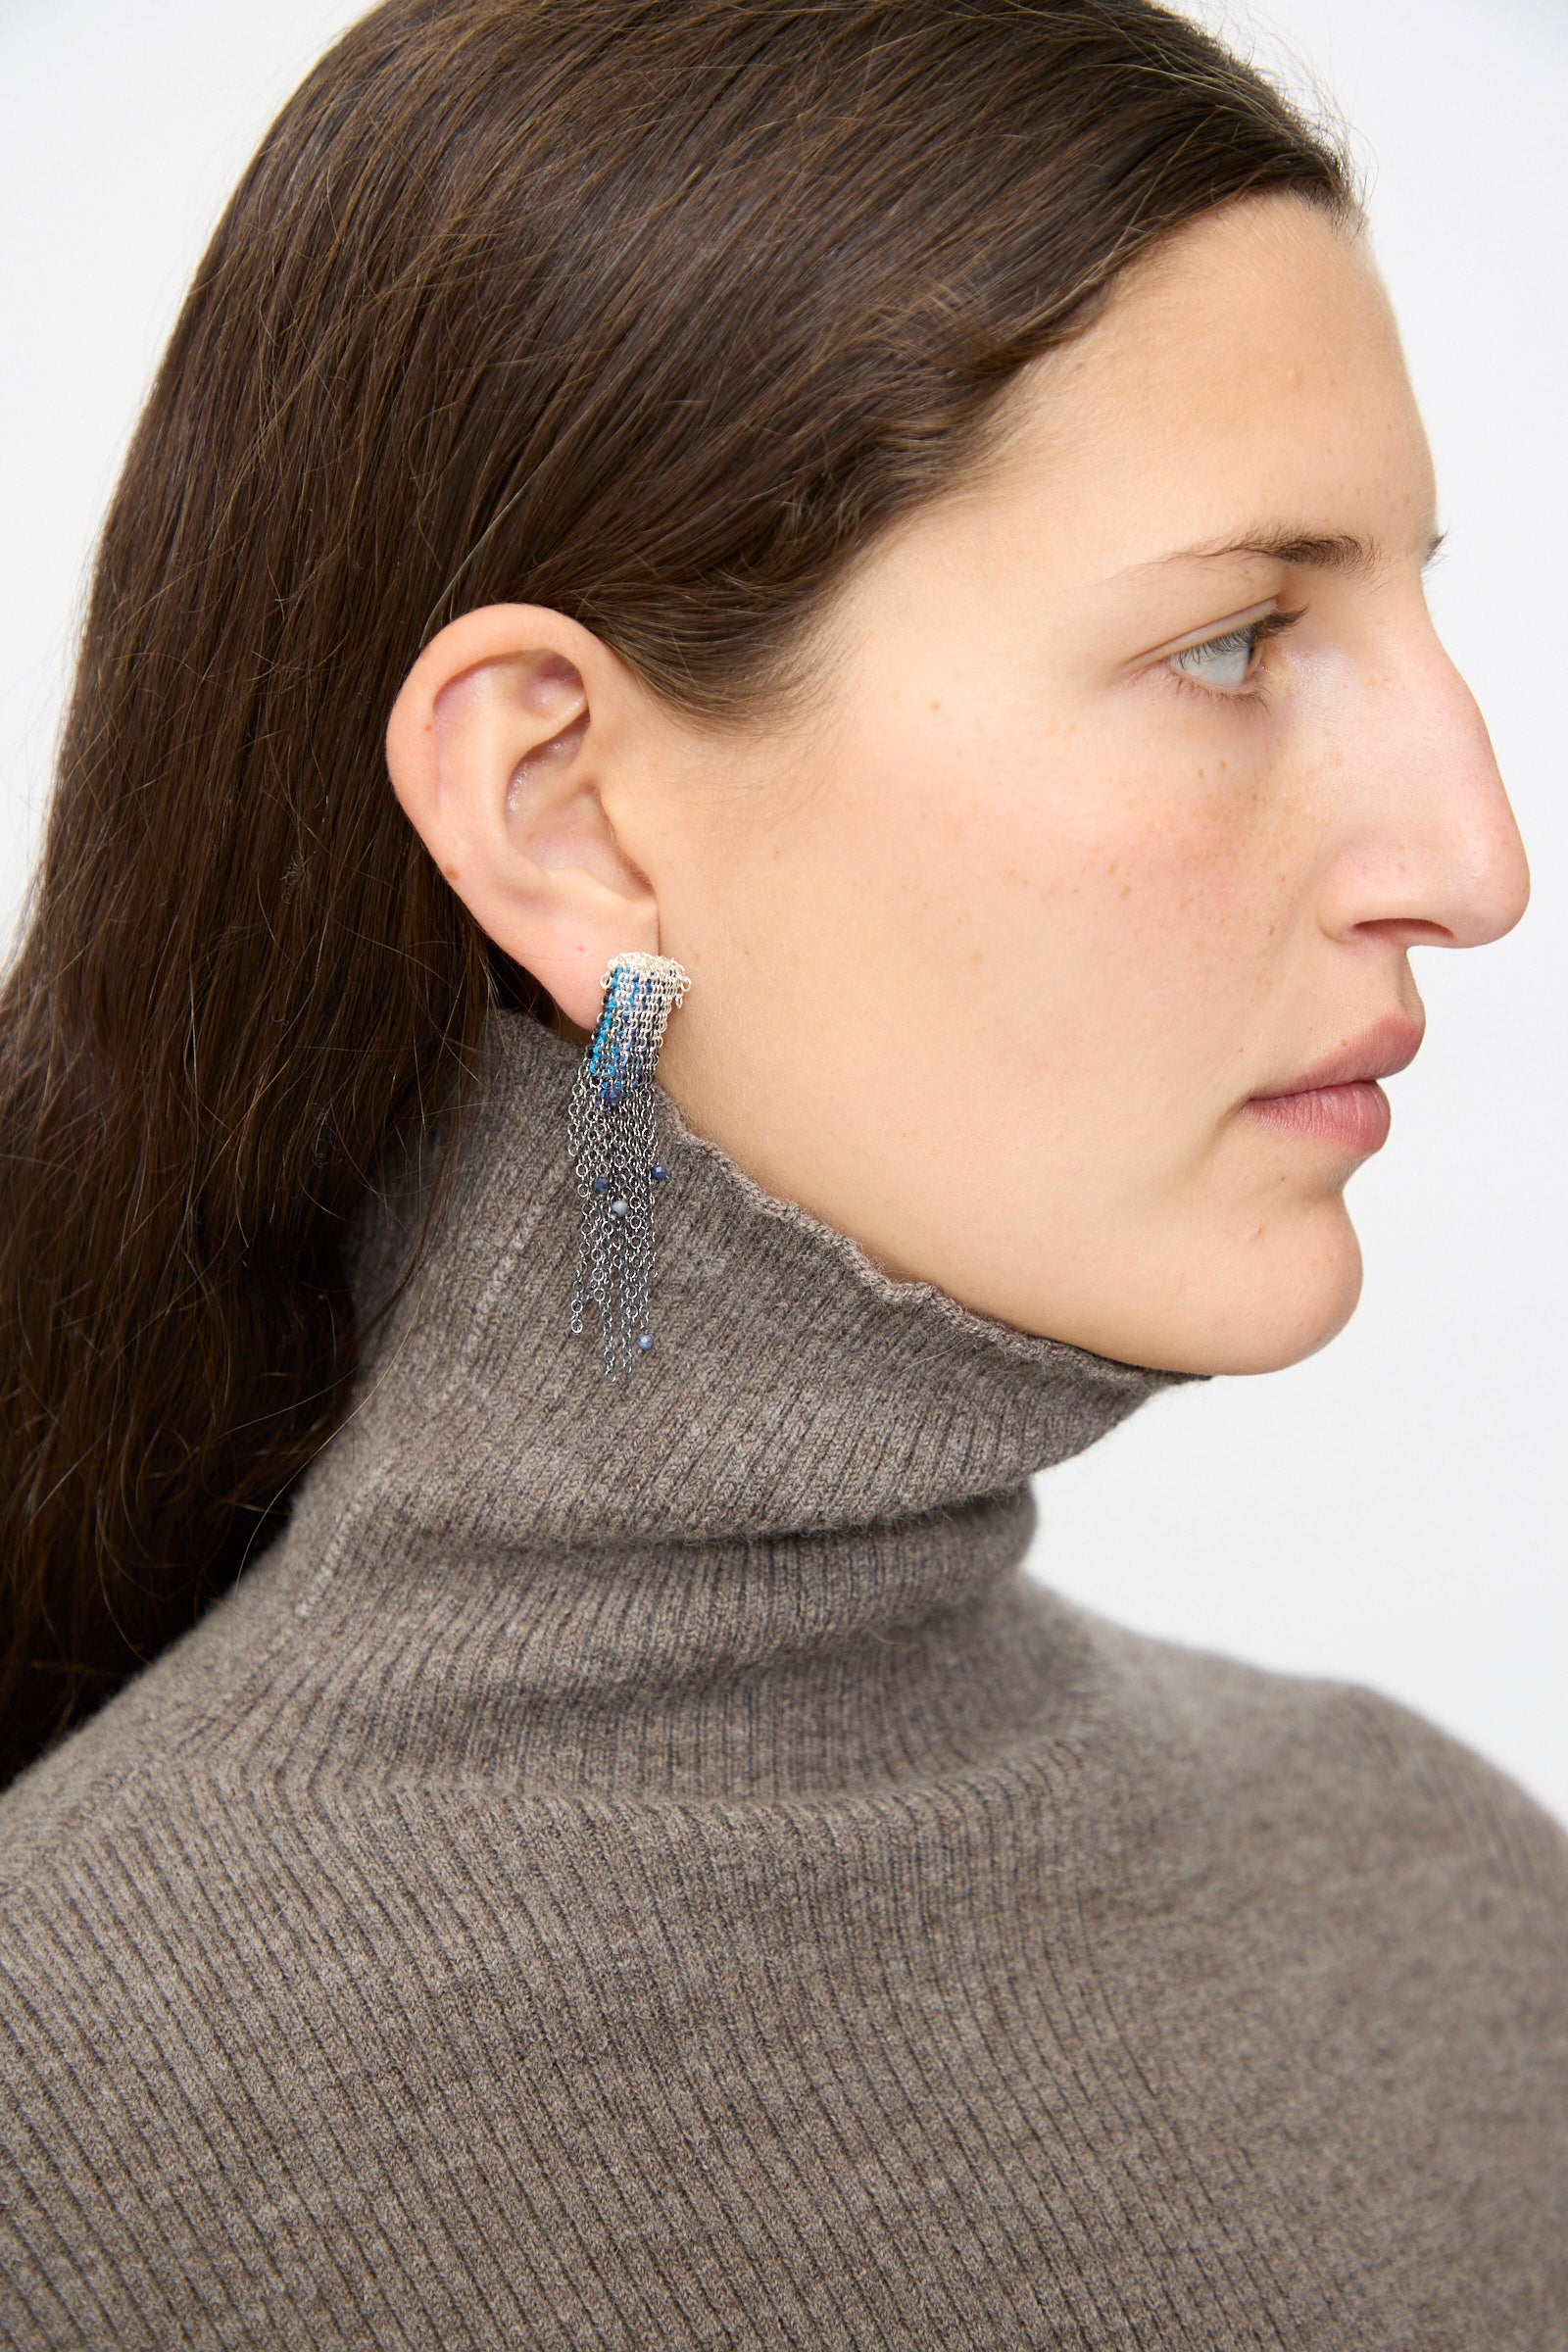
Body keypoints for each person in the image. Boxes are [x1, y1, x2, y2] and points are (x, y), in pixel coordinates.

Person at [0, 0, 1562, 2342]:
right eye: (1237, 639)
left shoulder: (1447, 1920)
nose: (1470, 859)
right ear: (574, 814)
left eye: (1409, 612)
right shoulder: (74, 2125)